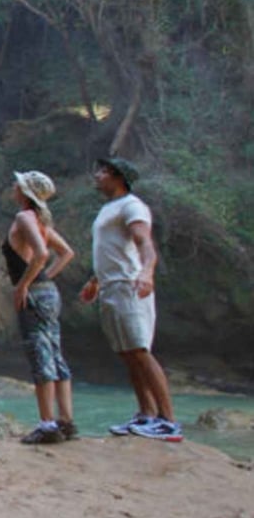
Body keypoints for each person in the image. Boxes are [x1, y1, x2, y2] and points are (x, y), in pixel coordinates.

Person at [79, 157, 181, 441]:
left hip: (129, 286)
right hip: (110, 287)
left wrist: (147, 272)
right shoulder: (108, 209)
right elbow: (111, 249)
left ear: (118, 177)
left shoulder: (132, 206)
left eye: (102, 171)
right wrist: (95, 281)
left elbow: (144, 243)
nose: (96, 176)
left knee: (139, 350)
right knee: (127, 354)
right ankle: (146, 415)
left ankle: (168, 421)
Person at [3, 170, 77, 444]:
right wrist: (45, 278)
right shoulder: (41, 220)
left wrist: (23, 285)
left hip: (34, 294)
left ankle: (47, 425)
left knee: (40, 355)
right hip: (48, 292)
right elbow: (67, 253)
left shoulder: (24, 217)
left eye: (18, 185)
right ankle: (66, 421)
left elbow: (43, 254)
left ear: (25, 192)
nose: (14, 186)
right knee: (55, 354)